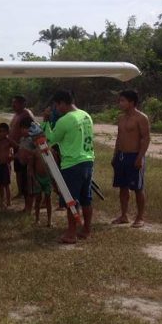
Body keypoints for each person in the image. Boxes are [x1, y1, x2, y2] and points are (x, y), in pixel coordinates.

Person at [47, 90, 94, 244]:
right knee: (86, 199)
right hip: (88, 160)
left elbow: (52, 139)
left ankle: (71, 234)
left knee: (71, 201)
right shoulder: (86, 115)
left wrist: (46, 122)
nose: (56, 108)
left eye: (56, 105)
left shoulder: (65, 120)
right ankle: (86, 230)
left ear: (62, 103)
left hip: (72, 164)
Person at [112, 90, 151, 228]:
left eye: (123, 101)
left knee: (138, 188)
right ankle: (124, 215)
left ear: (132, 102)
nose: (120, 103)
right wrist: (115, 155)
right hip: (121, 156)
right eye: (120, 100)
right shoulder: (121, 118)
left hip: (134, 155)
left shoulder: (141, 118)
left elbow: (146, 138)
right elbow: (119, 137)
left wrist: (140, 157)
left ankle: (140, 217)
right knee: (123, 187)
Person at [9, 95, 36, 204]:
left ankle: (28, 194)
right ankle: (20, 192)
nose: (13, 105)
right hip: (17, 147)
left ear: (22, 104)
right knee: (18, 171)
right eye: (13, 102)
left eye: (15, 103)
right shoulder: (16, 114)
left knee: (25, 173)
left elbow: (33, 129)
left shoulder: (26, 114)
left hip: (24, 147)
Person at [0, 122, 14, 208]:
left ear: (7, 132)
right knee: (0, 184)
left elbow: (17, 147)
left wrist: (12, 157)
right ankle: (1, 201)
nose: (2, 133)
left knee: (6, 184)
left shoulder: (9, 141)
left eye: (4, 131)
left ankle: (9, 201)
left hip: (6, 165)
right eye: (0, 131)